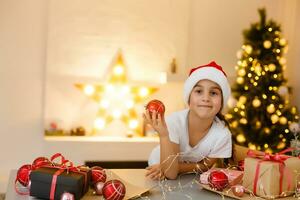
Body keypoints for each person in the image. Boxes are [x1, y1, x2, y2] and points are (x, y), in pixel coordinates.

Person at [144, 61, 232, 180]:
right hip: (156, 171)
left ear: (222, 102)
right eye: (199, 91)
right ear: (188, 99)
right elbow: (170, 174)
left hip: (188, 177)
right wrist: (164, 135)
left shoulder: (222, 134)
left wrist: (173, 167)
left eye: (213, 93)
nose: (206, 98)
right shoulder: (173, 122)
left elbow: (205, 166)